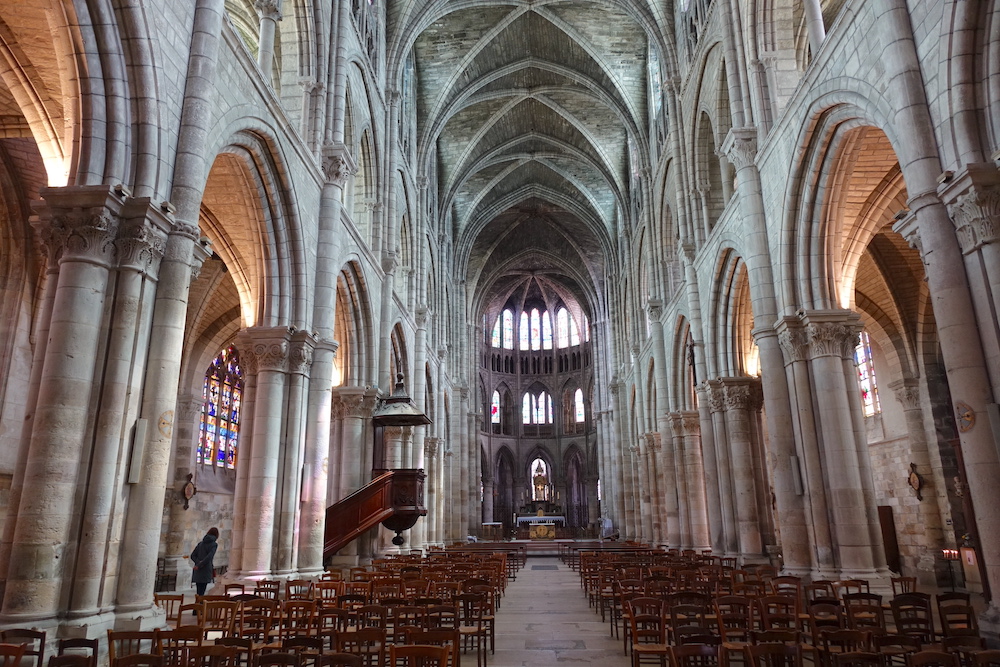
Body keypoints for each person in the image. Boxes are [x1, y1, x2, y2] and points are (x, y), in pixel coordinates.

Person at [190, 527, 219, 596]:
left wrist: (198, 563)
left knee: (198, 590)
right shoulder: (214, 544)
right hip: (205, 568)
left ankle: (197, 604)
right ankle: (200, 604)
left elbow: (193, 556)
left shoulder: (200, 544)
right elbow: (209, 556)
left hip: (198, 569)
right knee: (202, 590)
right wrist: (201, 564)